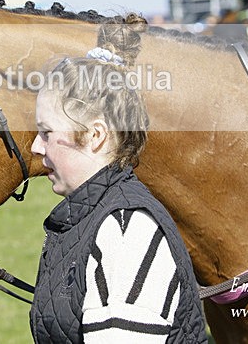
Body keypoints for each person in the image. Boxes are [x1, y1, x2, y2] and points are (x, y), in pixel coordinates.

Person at [29, 17, 207, 343]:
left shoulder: (127, 230)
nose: (35, 146)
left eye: (46, 132)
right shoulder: (91, 217)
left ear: (95, 135)